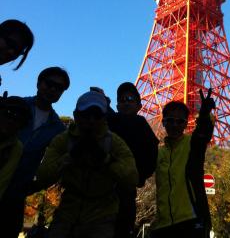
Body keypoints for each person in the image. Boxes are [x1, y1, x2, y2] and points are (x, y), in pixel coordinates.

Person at [34, 90, 139, 238]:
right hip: (67, 212)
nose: (91, 120)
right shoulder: (63, 140)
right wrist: (69, 157)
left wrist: (106, 159)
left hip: (102, 215)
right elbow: (43, 177)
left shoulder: (114, 143)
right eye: (86, 114)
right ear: (76, 115)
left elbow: (132, 178)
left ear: (104, 118)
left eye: (96, 115)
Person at [0, 66, 70, 238]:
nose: (53, 89)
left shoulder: (58, 128)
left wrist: (37, 185)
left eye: (59, 88)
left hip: (16, 193)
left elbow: (56, 163)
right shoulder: (16, 106)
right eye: (49, 84)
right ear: (39, 83)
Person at [151, 89, 215, 238]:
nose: (174, 125)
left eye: (180, 121)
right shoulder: (159, 153)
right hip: (163, 224)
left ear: (186, 124)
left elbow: (203, 132)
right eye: (170, 120)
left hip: (191, 221)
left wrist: (204, 115)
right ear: (163, 122)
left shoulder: (192, 144)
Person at [108, 82, 159, 238]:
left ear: (139, 105)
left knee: (121, 228)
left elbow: (152, 155)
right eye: (122, 100)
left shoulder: (141, 125)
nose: (126, 102)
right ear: (117, 105)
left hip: (125, 190)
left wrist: (138, 176)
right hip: (102, 186)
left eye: (130, 99)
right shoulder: (109, 121)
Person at [0, 96, 32, 199]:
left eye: (18, 119)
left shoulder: (16, 147)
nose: (11, 121)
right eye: (8, 114)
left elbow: (2, 182)